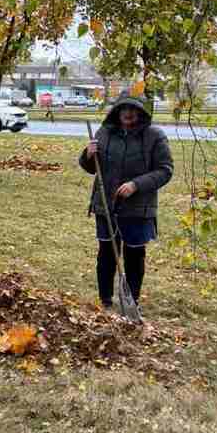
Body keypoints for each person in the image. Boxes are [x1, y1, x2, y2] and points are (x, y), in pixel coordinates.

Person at [79, 94, 173, 309]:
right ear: (117, 112)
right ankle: (105, 300)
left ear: (140, 112)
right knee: (106, 254)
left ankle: (131, 301)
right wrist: (87, 155)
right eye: (124, 109)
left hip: (138, 208)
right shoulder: (104, 133)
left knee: (134, 256)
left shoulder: (154, 136)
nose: (128, 113)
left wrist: (136, 185)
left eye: (133, 109)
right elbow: (93, 168)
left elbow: (165, 170)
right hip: (106, 205)